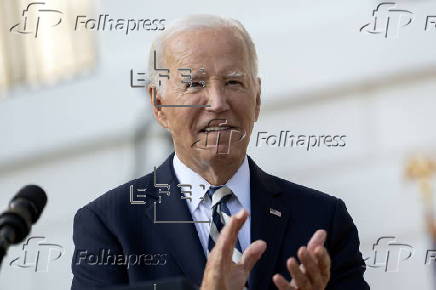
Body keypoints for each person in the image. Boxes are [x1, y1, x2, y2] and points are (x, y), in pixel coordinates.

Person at [71, 15, 370, 290]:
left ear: (257, 98)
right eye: (195, 84)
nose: (217, 102)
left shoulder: (322, 219)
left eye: (233, 82)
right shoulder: (110, 225)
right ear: (159, 105)